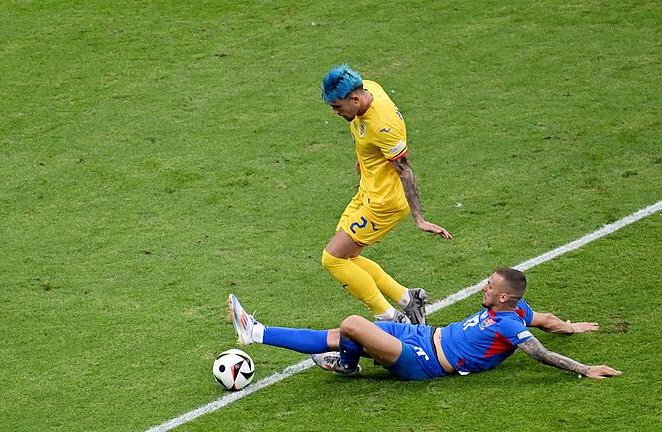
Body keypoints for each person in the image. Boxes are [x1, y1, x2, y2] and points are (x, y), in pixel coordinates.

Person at [227, 268, 622, 381]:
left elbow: (540, 352)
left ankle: (347, 365)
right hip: (422, 335)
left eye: (490, 287)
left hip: (423, 360)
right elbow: (547, 323)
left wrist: (585, 369)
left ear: (504, 298)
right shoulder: (519, 311)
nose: (483, 287)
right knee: (338, 334)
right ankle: (255, 332)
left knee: (351, 324)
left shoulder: (509, 325)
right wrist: (573, 326)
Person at [319, 64, 452, 325]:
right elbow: (368, 138)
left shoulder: (383, 125)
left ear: (355, 99)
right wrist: (365, 158)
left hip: (384, 203)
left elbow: (405, 170)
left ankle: (389, 317)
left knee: (333, 259)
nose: (335, 112)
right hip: (368, 190)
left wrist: (419, 219)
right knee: (348, 258)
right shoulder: (368, 89)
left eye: (337, 106)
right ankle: (407, 299)